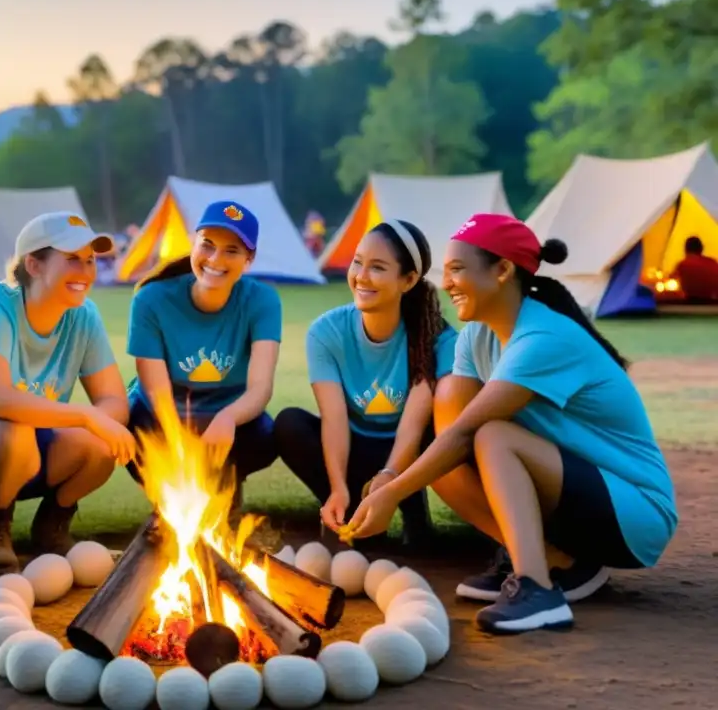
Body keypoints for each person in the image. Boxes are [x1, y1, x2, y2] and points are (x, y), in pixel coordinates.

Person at [346, 213, 679, 634]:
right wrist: (392, 478)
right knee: (443, 443)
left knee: (493, 435)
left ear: (502, 270)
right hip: (575, 492)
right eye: (444, 272)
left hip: (637, 513)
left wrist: (391, 493)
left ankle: (538, 590)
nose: (445, 283)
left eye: (457, 270)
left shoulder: (544, 337)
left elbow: (472, 431)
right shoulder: (476, 336)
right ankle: (550, 559)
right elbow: (454, 429)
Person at [0, 211, 136, 573]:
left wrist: (95, 422)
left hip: (27, 454)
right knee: (10, 428)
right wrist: (86, 416)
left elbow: (115, 402)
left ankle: (53, 523)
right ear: (35, 265)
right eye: (73, 259)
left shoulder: (84, 316)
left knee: (99, 443)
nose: (86, 271)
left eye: (90, 260)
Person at [274, 220, 457, 546]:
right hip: (356, 444)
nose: (361, 275)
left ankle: (413, 509)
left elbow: (414, 428)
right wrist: (338, 487)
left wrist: (389, 480)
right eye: (358, 261)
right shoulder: (326, 332)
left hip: (410, 452)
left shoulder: (435, 336)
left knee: (438, 427)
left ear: (409, 280)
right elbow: (334, 419)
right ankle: (349, 506)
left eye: (378, 267)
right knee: (290, 422)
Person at [125, 201, 281, 502]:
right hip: (161, 413)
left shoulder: (262, 300)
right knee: (127, 426)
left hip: (223, 412)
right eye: (207, 245)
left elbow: (260, 389)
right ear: (193, 244)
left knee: (265, 435)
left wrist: (227, 418)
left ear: (249, 258)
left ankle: (224, 490)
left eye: (231, 250)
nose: (215, 258)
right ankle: (169, 499)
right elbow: (157, 394)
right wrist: (180, 452)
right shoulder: (152, 299)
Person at [672, 236, 718, 302]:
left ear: (686, 249)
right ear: (701, 249)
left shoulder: (683, 265)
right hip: (711, 302)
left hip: (690, 302)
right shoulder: (712, 263)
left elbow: (671, 282)